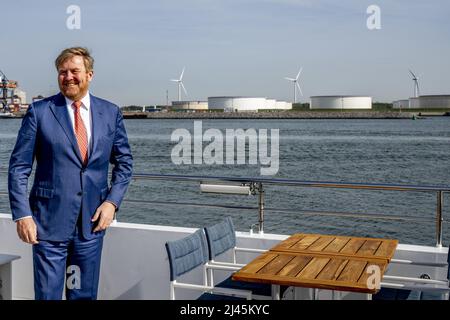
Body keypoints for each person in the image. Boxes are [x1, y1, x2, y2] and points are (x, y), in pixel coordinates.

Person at [8, 47, 133, 300]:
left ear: (89, 75)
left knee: (83, 296)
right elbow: (19, 168)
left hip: (91, 225)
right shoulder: (40, 112)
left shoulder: (110, 113)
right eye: (62, 72)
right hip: (47, 226)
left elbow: (124, 163)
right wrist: (22, 214)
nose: (68, 77)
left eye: (74, 71)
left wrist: (111, 202)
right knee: (48, 296)